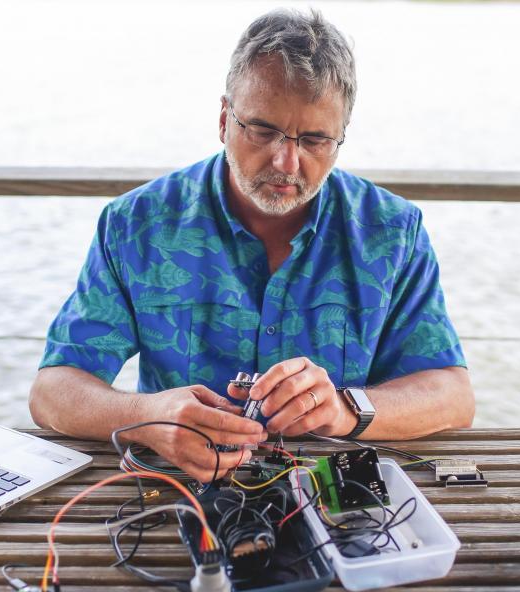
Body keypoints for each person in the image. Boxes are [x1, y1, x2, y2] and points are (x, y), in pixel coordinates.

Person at [29, 9, 475, 482]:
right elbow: (53, 390)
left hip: (337, 494)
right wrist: (149, 416)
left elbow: (451, 395)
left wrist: (347, 409)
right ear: (224, 119)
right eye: (263, 131)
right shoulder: (136, 224)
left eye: (315, 139)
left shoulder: (392, 229)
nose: (287, 162)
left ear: (340, 139)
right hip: (178, 491)